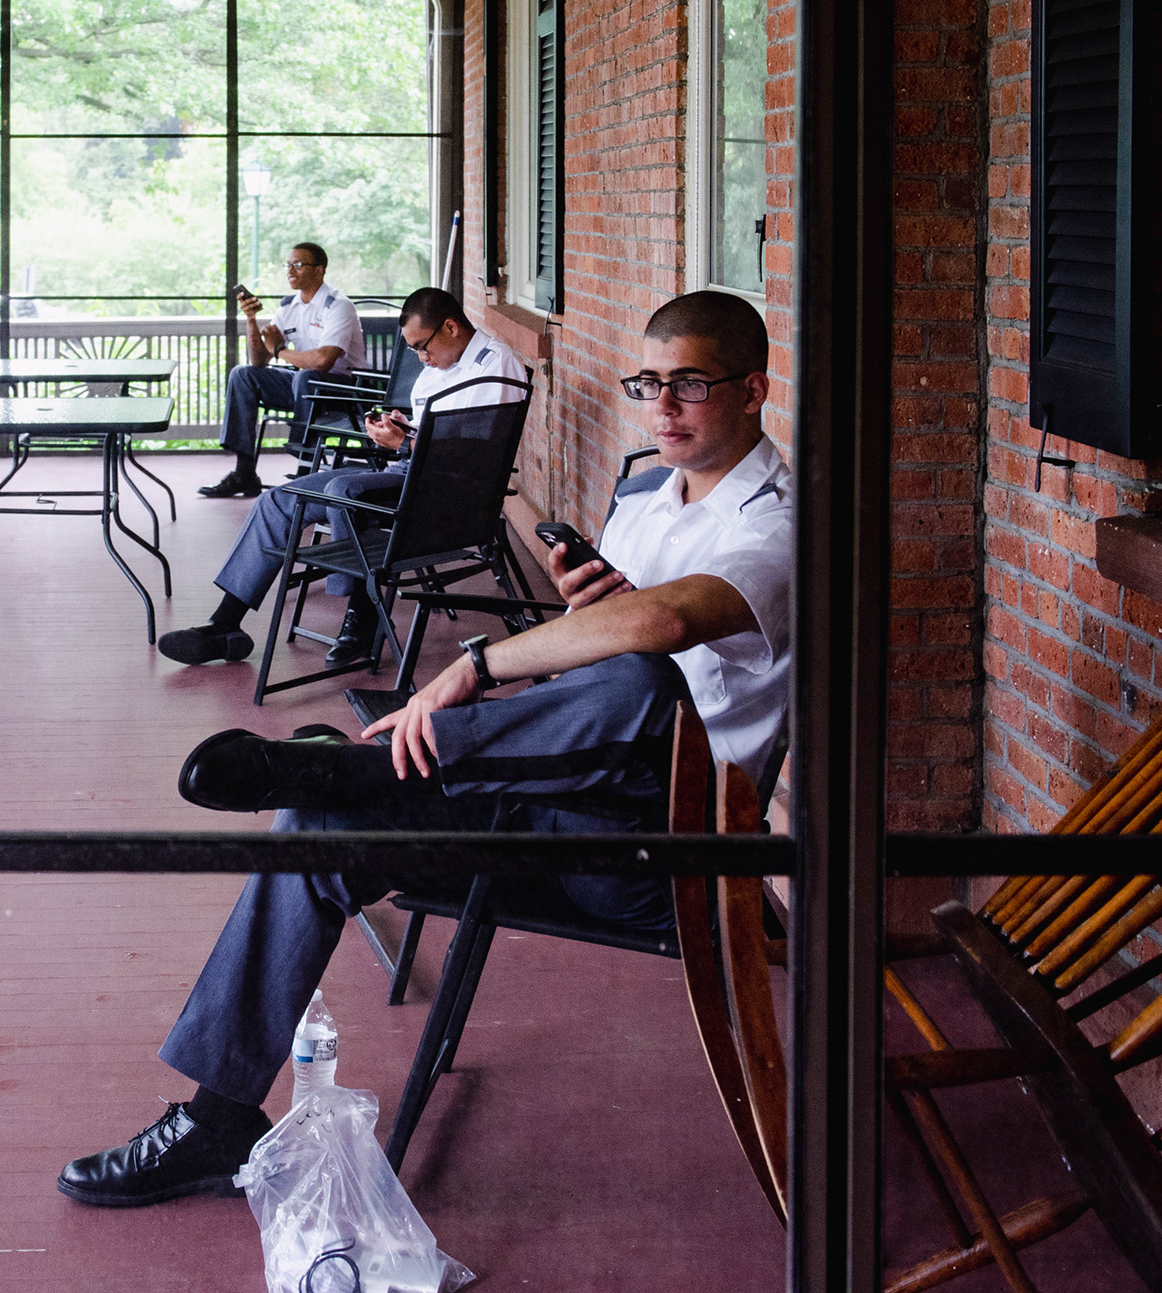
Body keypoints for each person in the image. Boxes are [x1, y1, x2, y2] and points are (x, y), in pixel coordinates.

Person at [57, 290, 792, 1208]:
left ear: (756, 389)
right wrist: (583, 609)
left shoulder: (780, 521)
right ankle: (215, 1121)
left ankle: (381, 756)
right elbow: (604, 636)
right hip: (550, 799)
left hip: (657, 852)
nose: (663, 408)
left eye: (691, 386)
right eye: (651, 384)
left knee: (643, 678)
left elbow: (666, 620)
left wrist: (473, 668)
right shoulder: (648, 498)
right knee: (318, 819)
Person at [159, 287, 530, 672]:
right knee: (278, 499)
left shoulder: (493, 366)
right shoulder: (439, 369)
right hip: (406, 472)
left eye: (423, 346)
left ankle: (361, 618)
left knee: (346, 490)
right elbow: (430, 431)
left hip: (443, 490)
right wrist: (398, 429)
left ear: (451, 327)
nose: (421, 358)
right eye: (415, 350)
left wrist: (405, 443)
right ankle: (225, 625)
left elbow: (474, 456)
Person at [199, 243, 368, 499]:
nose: (291, 270)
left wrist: (279, 351)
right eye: (288, 265)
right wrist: (252, 321)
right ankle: (244, 473)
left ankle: (304, 468)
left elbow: (323, 361)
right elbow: (258, 361)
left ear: (319, 270)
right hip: (304, 385)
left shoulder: (337, 305)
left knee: (306, 376)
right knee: (243, 374)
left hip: (345, 389)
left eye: (298, 265)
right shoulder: (289, 306)